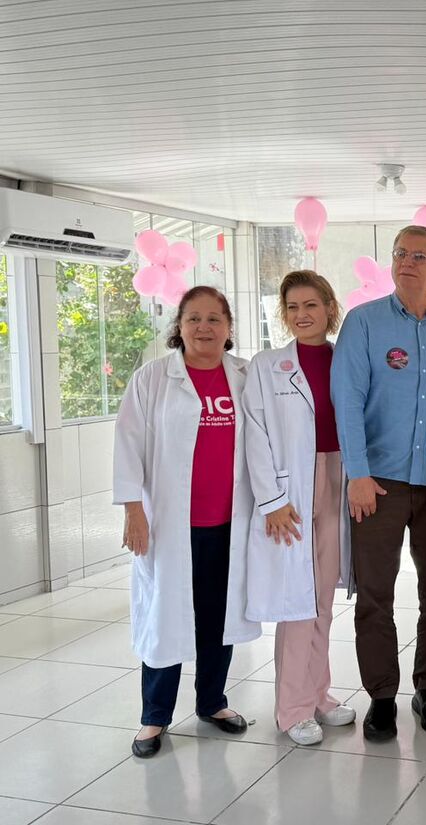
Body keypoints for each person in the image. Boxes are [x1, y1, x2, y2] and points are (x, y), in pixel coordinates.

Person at [332, 225, 426, 742]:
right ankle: (379, 696)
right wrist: (358, 475)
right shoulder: (364, 323)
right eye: (400, 254)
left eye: (420, 255)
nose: (407, 262)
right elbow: (346, 401)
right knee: (375, 593)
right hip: (379, 484)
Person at [114, 286, 260, 758]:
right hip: (172, 528)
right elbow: (128, 447)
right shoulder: (153, 378)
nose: (204, 328)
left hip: (229, 524)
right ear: (178, 326)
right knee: (167, 615)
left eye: (214, 319)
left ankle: (212, 702)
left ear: (229, 327)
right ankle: (153, 717)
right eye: (194, 318)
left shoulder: (244, 376)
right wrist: (134, 512)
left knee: (219, 618)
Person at [242, 270, 355, 746]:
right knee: (296, 603)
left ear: (330, 308)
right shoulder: (267, 365)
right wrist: (271, 500)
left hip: (336, 480)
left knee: (323, 598)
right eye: (292, 307)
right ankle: (291, 709)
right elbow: (255, 433)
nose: (302, 315)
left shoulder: (345, 359)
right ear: (284, 314)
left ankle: (319, 695)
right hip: (291, 490)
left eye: (311, 305)